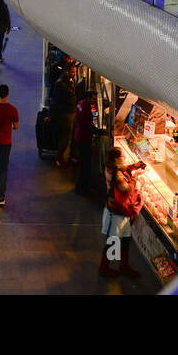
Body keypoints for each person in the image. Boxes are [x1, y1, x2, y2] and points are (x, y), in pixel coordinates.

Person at [101, 148, 144, 277]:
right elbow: (125, 190)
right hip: (117, 212)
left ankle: (124, 265)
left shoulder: (112, 166)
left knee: (126, 239)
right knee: (113, 240)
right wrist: (135, 179)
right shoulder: (116, 173)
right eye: (123, 157)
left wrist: (134, 166)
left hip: (118, 210)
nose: (125, 158)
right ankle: (104, 267)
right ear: (116, 159)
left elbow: (123, 168)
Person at [73, 87, 102, 196]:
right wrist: (102, 132)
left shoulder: (80, 103)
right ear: (88, 98)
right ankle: (83, 189)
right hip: (84, 138)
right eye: (93, 99)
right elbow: (89, 126)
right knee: (86, 166)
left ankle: (79, 187)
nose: (94, 101)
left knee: (83, 165)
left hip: (79, 136)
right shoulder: (85, 109)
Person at [50, 66, 77, 168]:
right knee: (64, 137)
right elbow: (56, 101)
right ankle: (59, 157)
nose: (74, 74)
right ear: (66, 71)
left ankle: (70, 156)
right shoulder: (60, 84)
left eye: (75, 72)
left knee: (70, 135)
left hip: (71, 112)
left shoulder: (71, 81)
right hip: (65, 114)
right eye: (73, 72)